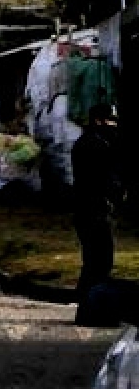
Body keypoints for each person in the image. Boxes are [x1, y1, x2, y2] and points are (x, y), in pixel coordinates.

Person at [71, 103, 127, 300]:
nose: (113, 125)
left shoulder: (89, 142)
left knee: (95, 260)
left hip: (89, 208)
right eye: (110, 121)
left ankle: (86, 300)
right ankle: (90, 302)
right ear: (98, 121)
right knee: (99, 260)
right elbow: (104, 179)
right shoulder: (95, 145)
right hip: (92, 209)